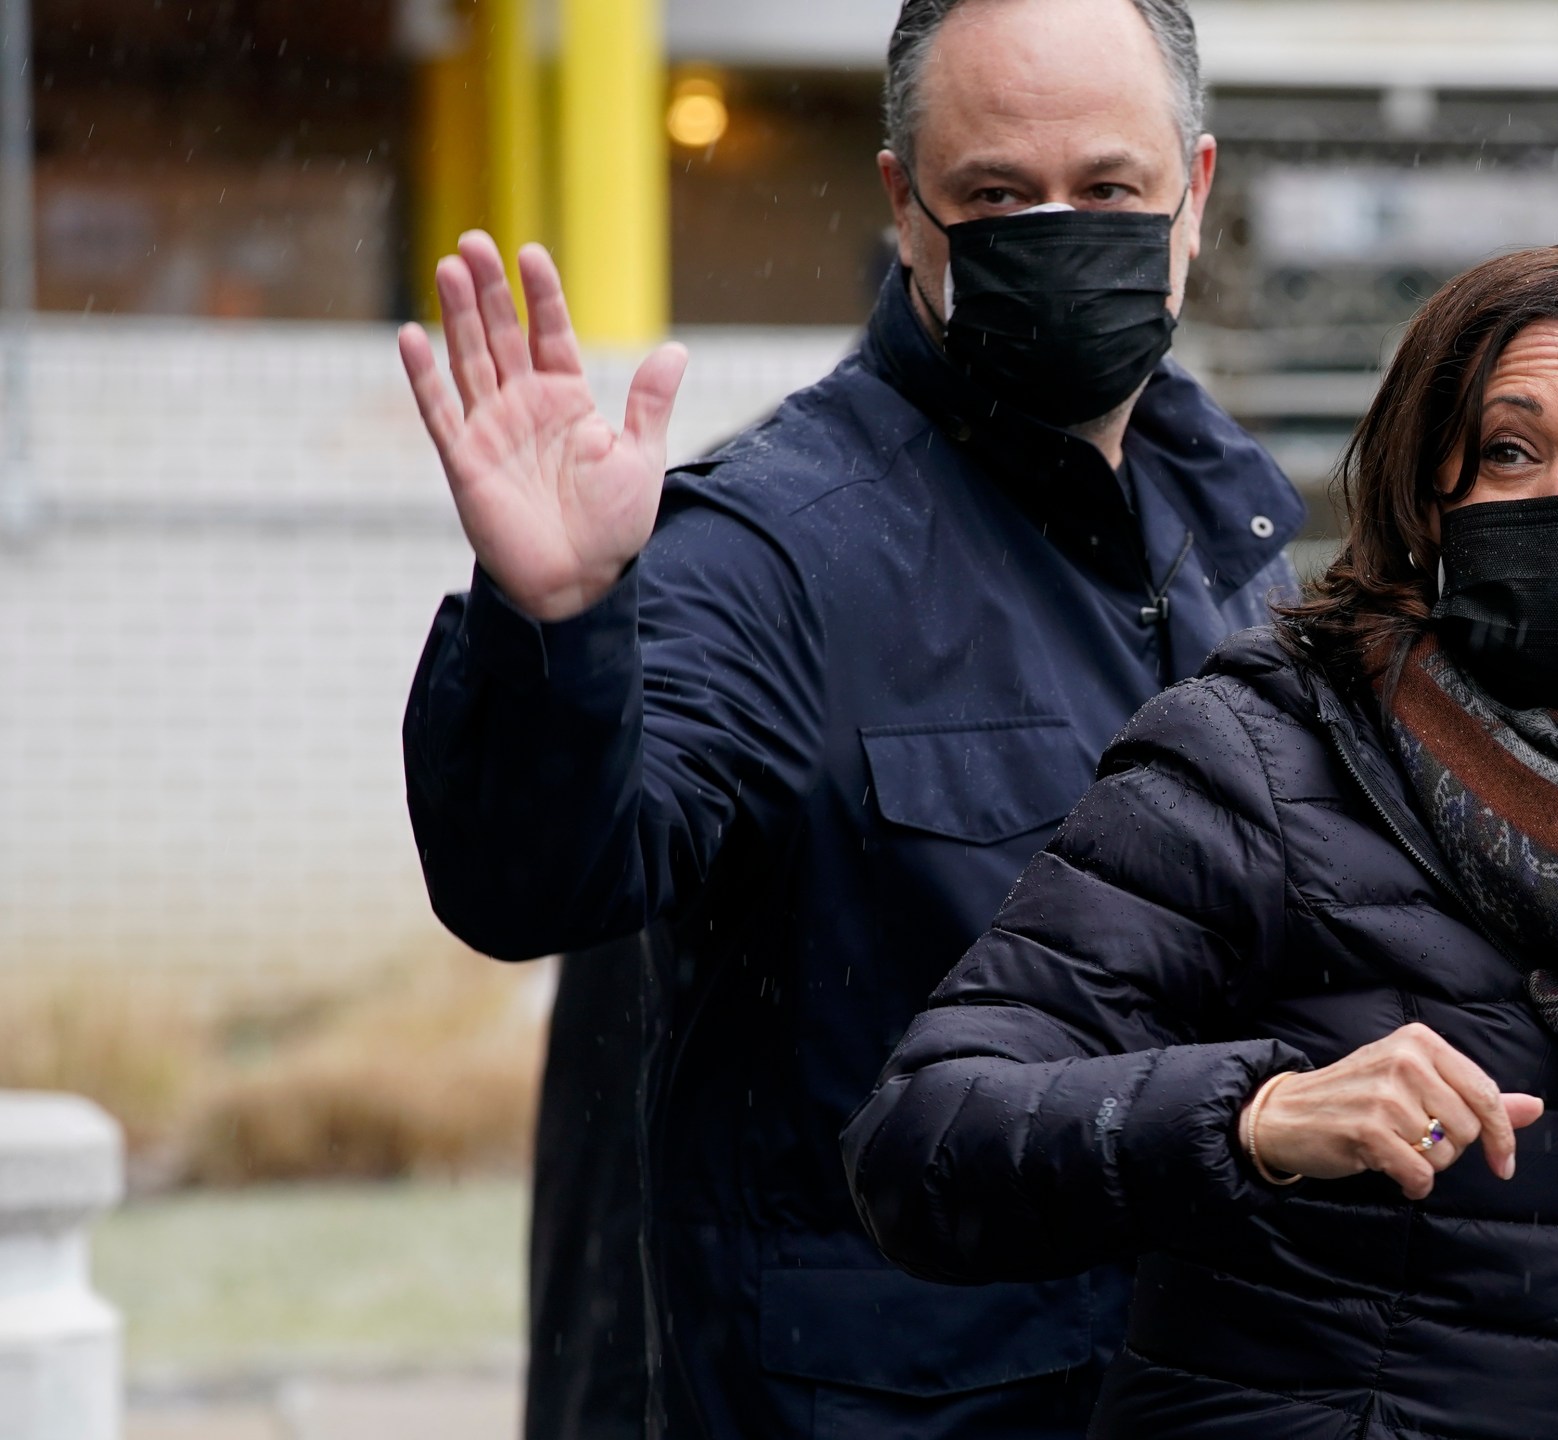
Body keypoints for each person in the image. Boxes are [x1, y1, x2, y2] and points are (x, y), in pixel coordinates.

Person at [844, 246, 1558, 1440]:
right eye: (1510, 449)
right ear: (1427, 496)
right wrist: (1257, 1119)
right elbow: (925, 1142)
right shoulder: (1252, 759)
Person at [393, 0, 1304, 1435]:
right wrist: (558, 624)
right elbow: (545, 874)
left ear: (1192, 196)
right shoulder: (773, 551)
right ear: (904, 207)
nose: (1059, 229)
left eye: (1109, 189)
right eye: (998, 194)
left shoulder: (1241, 543)